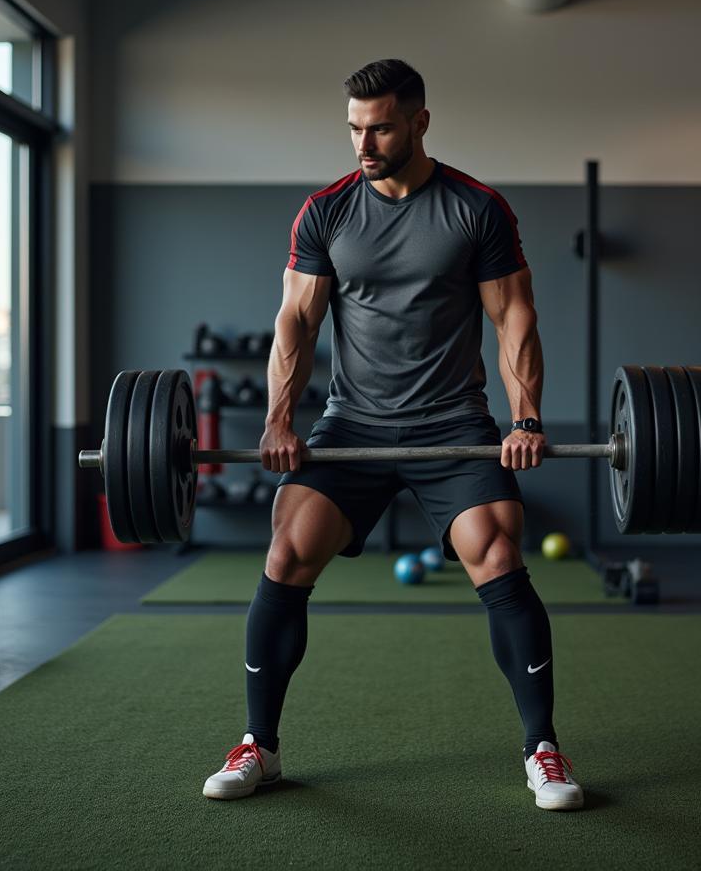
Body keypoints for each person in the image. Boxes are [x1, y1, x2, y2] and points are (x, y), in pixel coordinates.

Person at [203, 59, 582, 812]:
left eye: (378, 126)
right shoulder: (327, 211)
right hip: (354, 425)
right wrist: (280, 420)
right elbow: (298, 321)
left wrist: (527, 418)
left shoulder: (477, 208)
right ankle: (259, 746)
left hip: (453, 427)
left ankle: (543, 748)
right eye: (353, 127)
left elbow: (513, 319)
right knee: (285, 550)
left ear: (419, 121)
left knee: (500, 551)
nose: (363, 142)